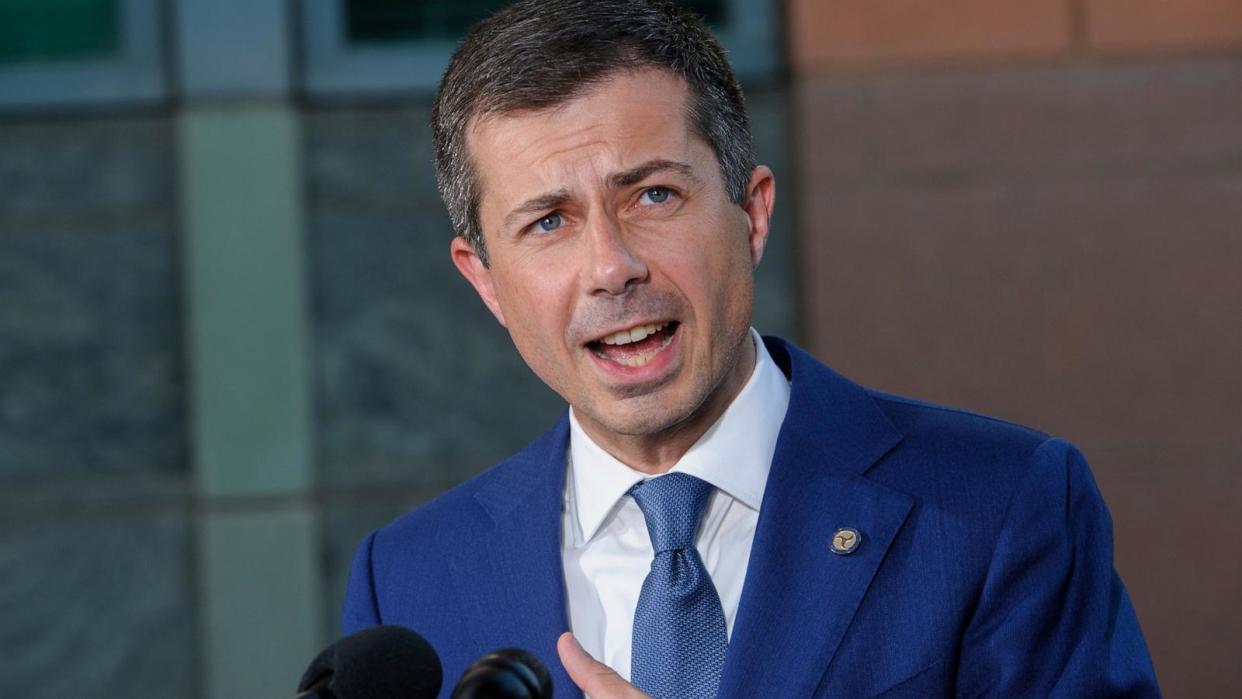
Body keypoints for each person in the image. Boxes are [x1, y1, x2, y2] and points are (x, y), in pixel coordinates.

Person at [341, 1, 1160, 697]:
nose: (611, 266)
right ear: (484, 279)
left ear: (753, 212)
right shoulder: (408, 578)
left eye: (653, 194)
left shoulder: (999, 509)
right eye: (548, 221)